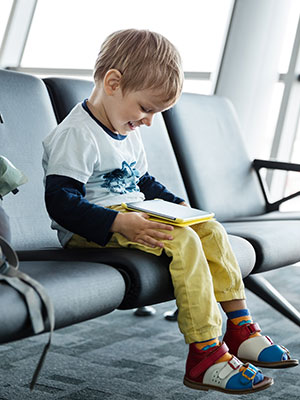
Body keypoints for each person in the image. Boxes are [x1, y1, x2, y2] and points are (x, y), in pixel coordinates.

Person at [42, 29, 298, 394]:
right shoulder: (77, 134)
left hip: (132, 216)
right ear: (113, 82)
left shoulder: (125, 129)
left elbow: (142, 181)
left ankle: (241, 328)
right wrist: (118, 222)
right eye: (146, 108)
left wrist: (177, 204)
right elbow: (61, 201)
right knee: (184, 242)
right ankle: (205, 352)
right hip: (91, 228)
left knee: (209, 229)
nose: (148, 121)